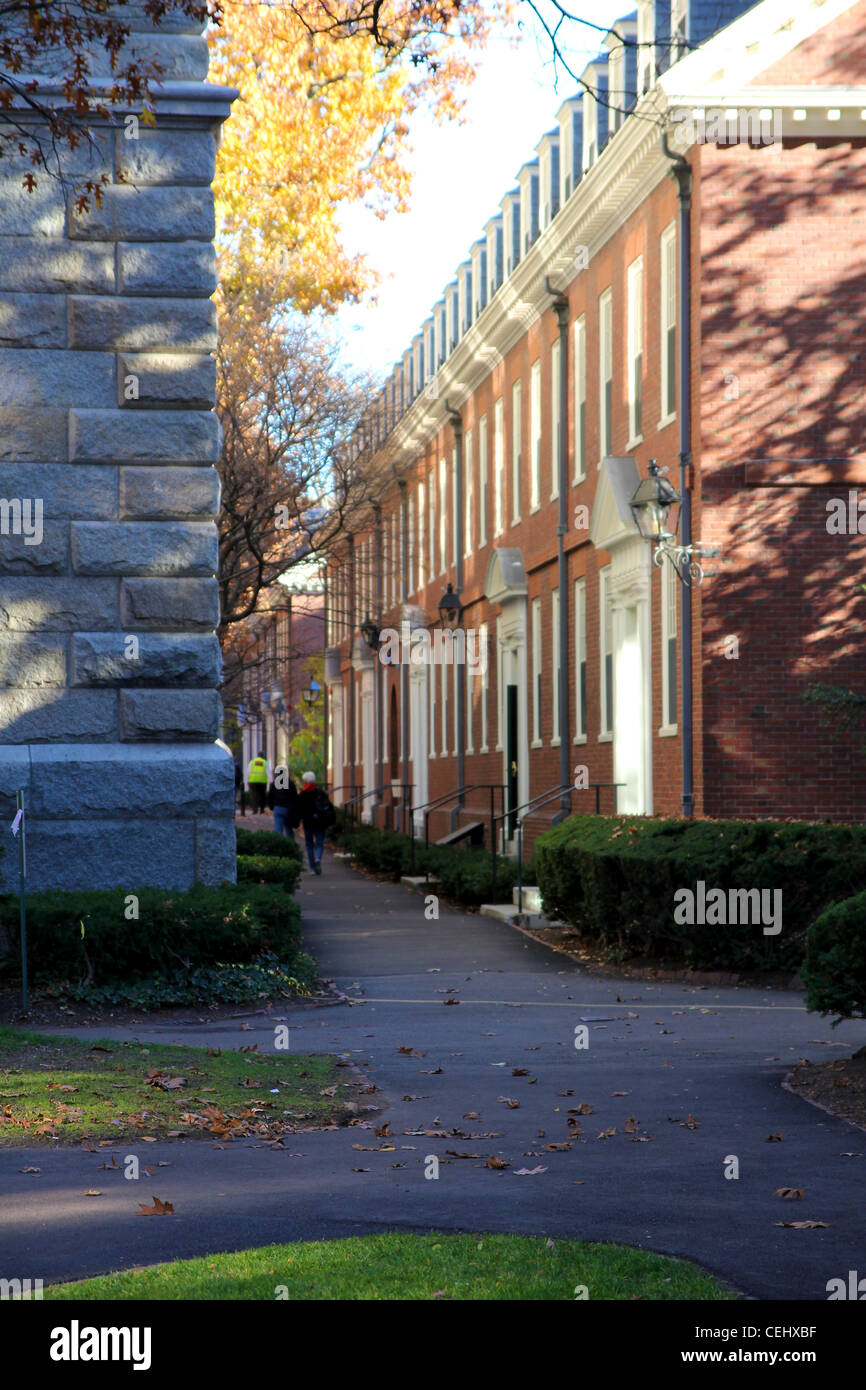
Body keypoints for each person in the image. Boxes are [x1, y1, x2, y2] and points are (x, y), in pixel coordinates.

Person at [297, 771, 334, 874]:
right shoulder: (320, 793)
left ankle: (312, 869)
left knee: (309, 845)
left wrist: (299, 820)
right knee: (320, 843)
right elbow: (328, 806)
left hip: (307, 822)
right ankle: (318, 858)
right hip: (320, 821)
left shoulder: (302, 794)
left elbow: (298, 809)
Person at [267, 773, 299, 839]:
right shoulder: (290, 784)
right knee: (289, 830)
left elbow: (270, 796)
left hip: (278, 807)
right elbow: (295, 797)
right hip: (288, 809)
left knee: (278, 830)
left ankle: (279, 846)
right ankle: (291, 846)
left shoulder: (274, 783)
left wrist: (271, 807)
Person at [247, 750, 270, 815]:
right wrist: (271, 781)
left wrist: (247, 781)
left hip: (253, 781)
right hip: (262, 782)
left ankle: (255, 810)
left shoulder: (252, 762)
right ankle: (262, 810)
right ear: (263, 756)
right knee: (262, 796)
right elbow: (269, 772)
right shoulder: (265, 762)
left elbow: (248, 772)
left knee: (254, 796)